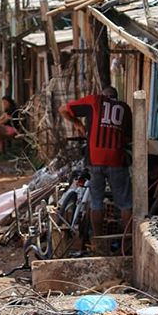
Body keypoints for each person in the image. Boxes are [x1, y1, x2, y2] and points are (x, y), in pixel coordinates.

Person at [59, 86, 133, 237]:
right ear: (116, 97)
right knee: (125, 203)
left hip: (95, 160)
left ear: (102, 95)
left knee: (96, 202)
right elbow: (127, 138)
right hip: (116, 160)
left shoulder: (94, 101)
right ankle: (129, 241)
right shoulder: (125, 108)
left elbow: (62, 109)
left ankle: (98, 239)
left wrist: (77, 123)